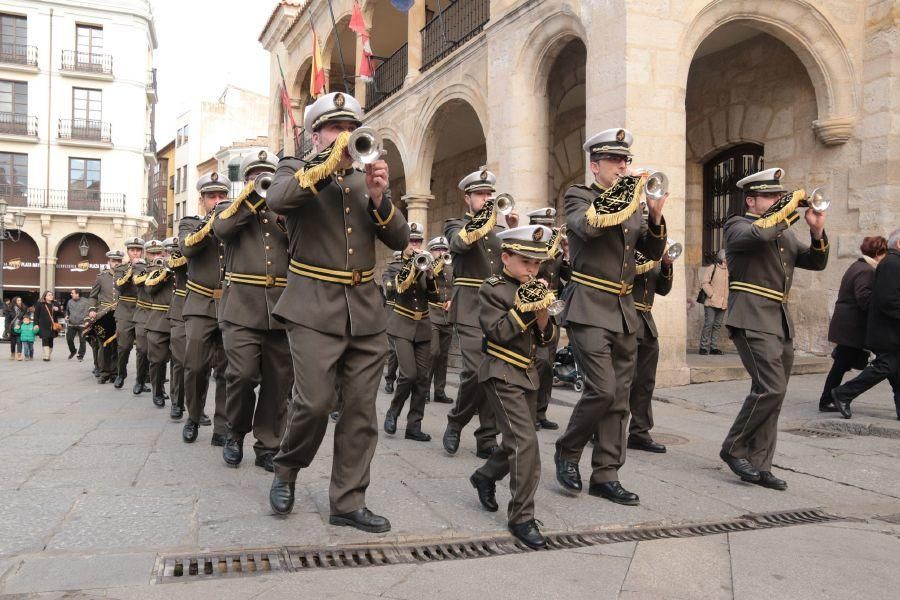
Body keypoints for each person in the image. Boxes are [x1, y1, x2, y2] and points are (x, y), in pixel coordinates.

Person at [266, 91, 408, 532]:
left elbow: (401, 239)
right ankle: (286, 468)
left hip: (364, 310)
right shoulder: (296, 169)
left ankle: (347, 501)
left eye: (350, 128)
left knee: (362, 412)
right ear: (315, 135)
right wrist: (329, 167)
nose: (344, 136)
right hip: (313, 306)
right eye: (334, 128)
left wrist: (381, 197)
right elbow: (278, 200)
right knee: (312, 403)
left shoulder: (366, 179)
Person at [553, 128, 667, 506]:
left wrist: (654, 214)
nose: (623, 166)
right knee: (601, 390)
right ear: (595, 164)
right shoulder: (578, 196)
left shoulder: (633, 203)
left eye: (626, 160)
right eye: (616, 160)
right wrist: (626, 193)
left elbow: (649, 248)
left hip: (623, 309)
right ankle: (568, 452)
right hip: (588, 304)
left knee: (619, 397)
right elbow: (588, 227)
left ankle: (606, 473)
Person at [719, 167, 828, 490]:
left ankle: (760, 463)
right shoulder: (737, 226)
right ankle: (733, 448)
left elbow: (815, 262)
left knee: (774, 394)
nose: (778, 200)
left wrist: (818, 232)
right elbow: (760, 234)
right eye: (770, 196)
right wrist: (789, 210)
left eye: (779, 195)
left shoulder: (783, 232)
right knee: (770, 387)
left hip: (779, 320)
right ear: (751, 200)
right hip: (751, 317)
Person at [469, 224, 558, 549]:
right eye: (525, 262)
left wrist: (544, 312)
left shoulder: (536, 287)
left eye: (536, 264)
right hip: (500, 371)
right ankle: (521, 517)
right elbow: (498, 333)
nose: (532, 270)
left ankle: (485, 476)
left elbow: (547, 340)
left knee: (516, 442)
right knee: (526, 444)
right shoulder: (492, 289)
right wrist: (526, 306)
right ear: (505, 257)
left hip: (528, 373)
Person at [212, 149, 292, 473]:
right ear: (244, 181)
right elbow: (222, 229)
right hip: (241, 308)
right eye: (253, 176)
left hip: (281, 307)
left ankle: (268, 444)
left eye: (266, 175)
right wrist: (249, 199)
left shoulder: (284, 212)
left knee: (278, 381)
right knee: (242, 375)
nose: (261, 180)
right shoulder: (227, 208)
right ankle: (234, 433)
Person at [442, 167, 516, 459]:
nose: (486, 199)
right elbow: (459, 243)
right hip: (470, 304)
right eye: (481, 195)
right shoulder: (454, 224)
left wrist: (511, 230)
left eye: (489, 194)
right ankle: (456, 421)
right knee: (474, 370)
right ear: (467, 199)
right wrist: (488, 220)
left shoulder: (499, 232)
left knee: (494, 371)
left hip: (496, 305)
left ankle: (486, 436)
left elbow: (513, 264)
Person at [179, 172, 230, 446]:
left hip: (231, 304)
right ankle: (194, 416)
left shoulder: (234, 223)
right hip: (200, 303)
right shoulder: (190, 224)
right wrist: (213, 222)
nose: (218, 200)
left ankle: (222, 426)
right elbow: (187, 250)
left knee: (227, 369)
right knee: (196, 366)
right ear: (202, 201)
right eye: (212, 196)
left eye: (222, 196)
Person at [831, 229, 900, 420]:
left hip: (888, 331)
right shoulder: (893, 264)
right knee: (884, 366)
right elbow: (888, 300)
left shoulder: (892, 263)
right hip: (887, 332)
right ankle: (844, 393)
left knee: (894, 370)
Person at [384, 223, 440, 442]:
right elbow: (397, 289)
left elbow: (435, 299)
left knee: (423, 378)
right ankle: (393, 412)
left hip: (423, 326)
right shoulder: (395, 268)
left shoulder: (427, 265)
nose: (414, 245)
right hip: (401, 326)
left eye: (417, 241)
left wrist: (432, 276)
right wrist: (415, 268)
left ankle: (414, 425)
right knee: (408, 375)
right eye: (410, 242)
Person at [819, 236, 887, 412]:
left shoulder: (857, 265)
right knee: (842, 364)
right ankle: (832, 398)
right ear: (879, 253)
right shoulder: (867, 270)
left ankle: (829, 398)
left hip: (847, 326)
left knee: (840, 364)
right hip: (851, 327)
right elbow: (864, 298)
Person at [627, 249, 674, 453]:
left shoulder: (652, 256)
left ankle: (640, 432)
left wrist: (666, 265)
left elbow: (662, 289)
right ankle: (601, 429)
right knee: (620, 381)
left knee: (645, 381)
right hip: (626, 319)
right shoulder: (626, 249)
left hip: (646, 323)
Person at [529, 208, 570, 430]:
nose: (550, 230)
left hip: (553, 309)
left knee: (548, 364)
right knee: (538, 361)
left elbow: (568, 275)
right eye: (544, 227)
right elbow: (536, 270)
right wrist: (552, 245)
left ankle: (541, 412)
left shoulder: (555, 250)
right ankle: (530, 412)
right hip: (535, 309)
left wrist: (566, 251)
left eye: (550, 226)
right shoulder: (532, 249)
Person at [113, 238, 149, 389]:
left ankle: (140, 380)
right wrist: (131, 269)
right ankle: (121, 374)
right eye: (132, 250)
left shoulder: (146, 267)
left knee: (143, 348)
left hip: (142, 309)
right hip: (125, 311)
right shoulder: (121, 268)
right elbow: (119, 287)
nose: (135, 252)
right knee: (124, 346)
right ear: (127, 251)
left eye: (138, 250)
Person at [143, 240, 173, 408]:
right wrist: (164, 271)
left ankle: (177, 398)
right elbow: (149, 289)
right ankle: (158, 389)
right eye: (167, 252)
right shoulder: (153, 270)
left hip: (181, 318)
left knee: (181, 362)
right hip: (159, 320)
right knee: (158, 359)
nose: (167, 256)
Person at [426, 236, 454, 405]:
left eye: (444, 249)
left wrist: (453, 301)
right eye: (438, 249)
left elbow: (456, 287)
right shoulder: (427, 267)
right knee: (433, 352)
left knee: (443, 356)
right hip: (432, 313)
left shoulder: (452, 268)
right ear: (431, 251)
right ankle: (424, 390)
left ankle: (439, 391)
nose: (442, 252)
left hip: (447, 316)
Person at [164, 238, 189, 420]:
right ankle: (177, 403)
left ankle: (197, 408)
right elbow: (176, 263)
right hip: (180, 310)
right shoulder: (181, 253)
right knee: (179, 361)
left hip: (208, 308)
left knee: (201, 365)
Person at [89, 251, 121, 383]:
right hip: (104, 314)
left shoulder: (125, 277)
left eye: (118, 261)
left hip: (120, 314)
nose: (116, 263)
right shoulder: (101, 277)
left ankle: (115, 372)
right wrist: (92, 309)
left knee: (117, 345)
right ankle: (104, 372)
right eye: (114, 261)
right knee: (104, 345)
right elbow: (93, 296)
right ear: (109, 262)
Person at [698, 249, 729, 355]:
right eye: (726, 257)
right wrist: (712, 295)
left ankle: (714, 347)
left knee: (717, 325)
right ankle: (703, 346)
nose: (727, 259)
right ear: (721, 258)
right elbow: (704, 282)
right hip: (711, 301)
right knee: (709, 324)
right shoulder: (713, 267)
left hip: (723, 302)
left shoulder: (729, 270)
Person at [382, 250, 403, 394]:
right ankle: (390, 380)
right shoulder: (388, 272)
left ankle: (403, 381)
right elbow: (389, 290)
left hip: (408, 313)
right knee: (393, 350)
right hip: (392, 312)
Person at [65, 289, 90, 361]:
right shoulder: (69, 301)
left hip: (82, 324)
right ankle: (73, 351)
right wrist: (66, 315)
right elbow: (67, 311)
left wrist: (87, 321)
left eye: (72, 293)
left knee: (82, 340)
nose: (71, 294)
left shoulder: (86, 301)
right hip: (72, 324)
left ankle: (80, 355)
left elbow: (89, 311)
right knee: (69, 339)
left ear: (77, 294)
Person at [36, 290, 61, 361]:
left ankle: (49, 355)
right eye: (49, 295)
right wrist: (36, 324)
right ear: (45, 296)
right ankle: (46, 356)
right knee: (45, 339)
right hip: (43, 325)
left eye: (52, 295)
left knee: (51, 340)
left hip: (53, 325)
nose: (51, 296)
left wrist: (58, 310)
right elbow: (36, 315)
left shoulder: (55, 303)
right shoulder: (40, 304)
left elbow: (61, 314)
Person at [7, 296, 25, 361]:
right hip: (12, 328)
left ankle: (19, 355)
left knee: (19, 342)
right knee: (13, 343)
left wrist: (20, 325)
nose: (20, 302)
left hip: (20, 328)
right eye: (18, 300)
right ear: (14, 301)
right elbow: (7, 320)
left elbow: (26, 319)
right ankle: (12, 354)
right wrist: (7, 330)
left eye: (20, 300)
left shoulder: (24, 308)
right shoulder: (10, 309)